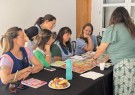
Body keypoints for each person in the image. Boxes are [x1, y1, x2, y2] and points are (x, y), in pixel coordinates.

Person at [90, 7, 135, 95]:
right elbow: (121, 46)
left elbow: (101, 49)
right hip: (133, 64)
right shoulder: (132, 29)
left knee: (123, 92)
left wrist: (94, 58)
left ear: (114, 17)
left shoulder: (112, 28)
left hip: (123, 66)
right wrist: (107, 57)